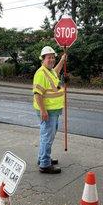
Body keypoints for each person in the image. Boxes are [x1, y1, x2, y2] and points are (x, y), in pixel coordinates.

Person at [33, 46, 67, 174]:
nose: (52, 60)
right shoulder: (41, 73)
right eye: (49, 58)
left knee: (46, 136)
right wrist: (43, 111)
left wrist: (62, 60)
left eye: (53, 57)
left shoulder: (50, 71)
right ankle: (45, 164)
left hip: (53, 110)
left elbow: (56, 72)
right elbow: (37, 94)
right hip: (48, 111)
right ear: (43, 59)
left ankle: (42, 158)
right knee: (47, 136)